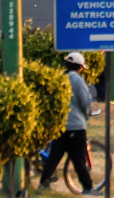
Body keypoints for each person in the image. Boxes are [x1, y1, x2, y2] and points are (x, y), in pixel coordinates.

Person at [39, 53, 93, 192]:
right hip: (76, 126)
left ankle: (44, 182)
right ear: (79, 67)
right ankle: (87, 187)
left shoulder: (60, 78)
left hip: (61, 124)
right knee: (79, 160)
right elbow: (85, 102)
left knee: (54, 157)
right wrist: (87, 115)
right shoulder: (77, 80)